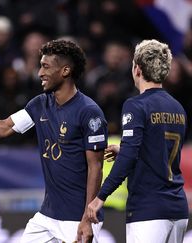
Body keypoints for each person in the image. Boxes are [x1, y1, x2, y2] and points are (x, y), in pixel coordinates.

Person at [0, 39, 108, 242]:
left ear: (65, 71)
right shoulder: (40, 104)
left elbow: (96, 167)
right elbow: (3, 128)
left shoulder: (89, 112)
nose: (40, 73)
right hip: (47, 216)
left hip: (77, 218)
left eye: (46, 66)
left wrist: (87, 218)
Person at [87, 39, 189, 243]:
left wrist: (100, 197)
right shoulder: (178, 108)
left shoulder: (136, 105)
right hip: (178, 207)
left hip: (148, 209)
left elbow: (129, 158)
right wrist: (125, 148)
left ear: (137, 69)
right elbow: (159, 148)